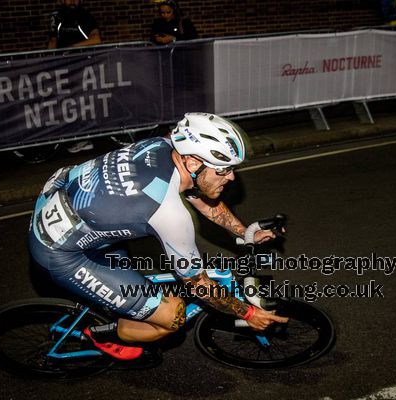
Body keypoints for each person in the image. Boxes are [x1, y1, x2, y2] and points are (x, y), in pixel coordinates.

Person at [28, 113, 288, 360]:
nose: (231, 177)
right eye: (223, 170)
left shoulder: (163, 146)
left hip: (62, 202)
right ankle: (98, 336)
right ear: (194, 163)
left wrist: (246, 232)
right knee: (172, 315)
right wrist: (249, 312)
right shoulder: (169, 214)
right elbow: (199, 286)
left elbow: (200, 197)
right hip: (61, 253)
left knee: (139, 274)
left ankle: (118, 306)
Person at [47, 0, 101, 153]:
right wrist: (48, 61)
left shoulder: (85, 16)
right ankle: (77, 136)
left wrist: (71, 48)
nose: (72, 1)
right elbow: (52, 41)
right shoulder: (56, 16)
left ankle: (85, 138)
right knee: (68, 102)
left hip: (82, 66)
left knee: (82, 101)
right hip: (63, 68)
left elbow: (96, 39)